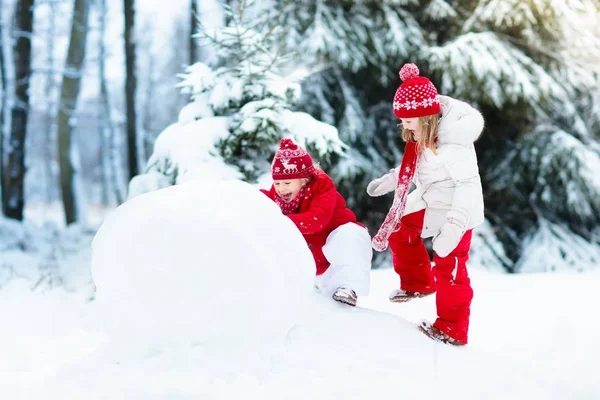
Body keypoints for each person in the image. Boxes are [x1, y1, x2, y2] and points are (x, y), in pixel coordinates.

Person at [367, 63, 485, 346]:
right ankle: (418, 282)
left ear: (425, 116)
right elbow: (417, 167)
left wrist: (455, 226)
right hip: (432, 200)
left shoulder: (453, 145)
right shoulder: (422, 137)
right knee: (399, 227)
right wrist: (391, 179)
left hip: (459, 211)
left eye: (408, 120)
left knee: (450, 269)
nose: (404, 125)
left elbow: (468, 186)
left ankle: (453, 328)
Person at [261, 138, 372, 306]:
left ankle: (348, 287)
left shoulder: (322, 188)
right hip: (311, 263)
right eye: (277, 183)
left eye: (287, 183)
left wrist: (279, 220)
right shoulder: (276, 197)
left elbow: (316, 220)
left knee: (351, 234)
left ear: (304, 180)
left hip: (334, 253)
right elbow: (257, 204)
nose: (281, 188)